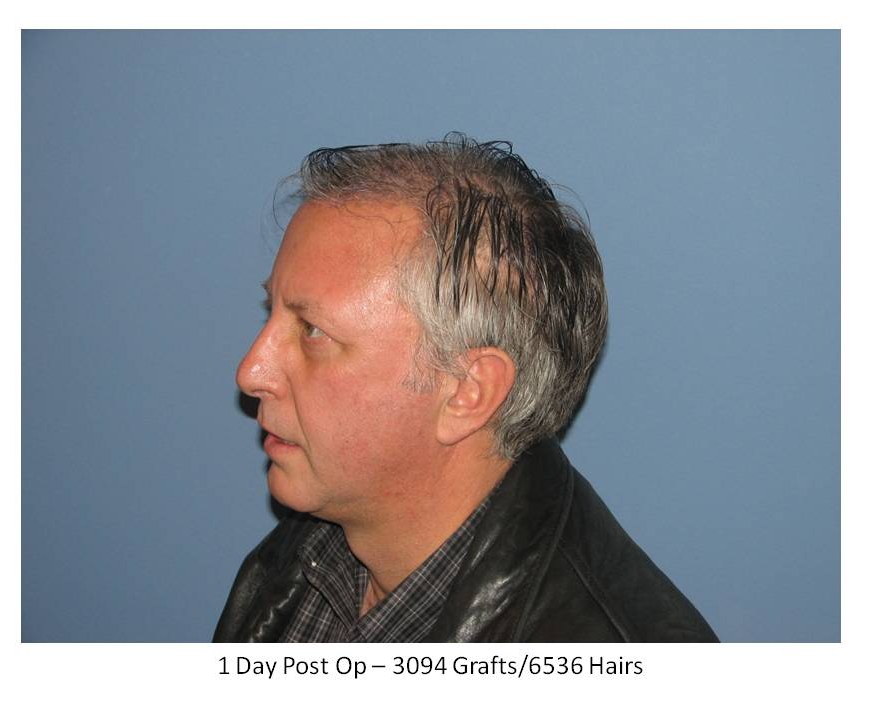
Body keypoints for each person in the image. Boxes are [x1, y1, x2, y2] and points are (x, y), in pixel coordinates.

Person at [214, 134, 717, 642]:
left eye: (313, 331)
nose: (251, 371)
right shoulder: (304, 558)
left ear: (467, 392)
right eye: (271, 311)